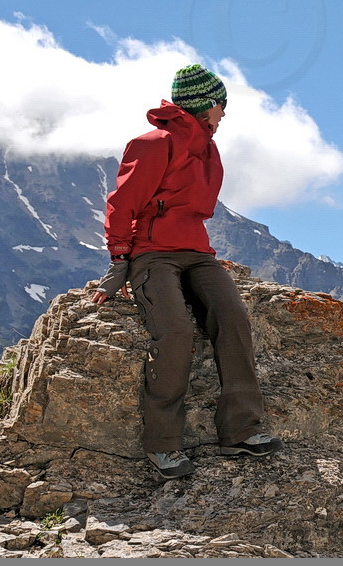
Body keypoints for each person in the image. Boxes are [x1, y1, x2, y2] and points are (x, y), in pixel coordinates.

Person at [91, 64, 282, 479]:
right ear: (201, 105)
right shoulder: (153, 144)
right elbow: (122, 203)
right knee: (175, 330)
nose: (224, 114)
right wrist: (119, 260)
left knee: (232, 317)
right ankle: (163, 445)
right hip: (152, 254)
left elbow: (196, 210)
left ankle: (240, 432)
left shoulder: (209, 150)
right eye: (220, 105)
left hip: (197, 252)